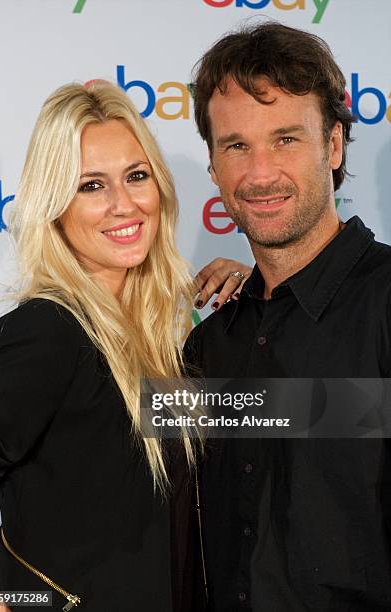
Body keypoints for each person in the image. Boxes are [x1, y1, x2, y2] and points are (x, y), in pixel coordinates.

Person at [0, 80, 249, 612]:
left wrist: (268, 297)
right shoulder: (46, 333)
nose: (123, 205)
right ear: (54, 203)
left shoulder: (158, 338)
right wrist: (4, 603)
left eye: (136, 176)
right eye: (90, 186)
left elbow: (306, 414)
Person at [185, 22, 391, 611]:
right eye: (236, 145)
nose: (260, 173)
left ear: (333, 145)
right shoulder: (210, 342)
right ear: (213, 167)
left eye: (285, 139)